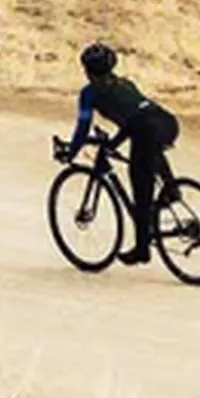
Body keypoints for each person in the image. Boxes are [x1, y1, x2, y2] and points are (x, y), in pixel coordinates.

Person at [55, 41, 180, 263]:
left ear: (86, 71)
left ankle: (142, 250)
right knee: (147, 151)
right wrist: (113, 142)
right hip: (167, 123)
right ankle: (171, 189)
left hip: (143, 129)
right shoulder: (126, 83)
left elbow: (83, 127)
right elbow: (135, 120)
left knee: (141, 187)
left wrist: (71, 152)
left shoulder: (89, 94)